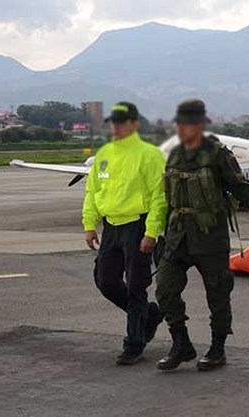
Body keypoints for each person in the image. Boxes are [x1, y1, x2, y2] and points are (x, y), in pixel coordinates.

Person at [155, 99, 249, 372]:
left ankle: (217, 348)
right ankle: (181, 344)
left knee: (218, 293)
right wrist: (157, 232)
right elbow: (168, 198)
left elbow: (240, 188)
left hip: (210, 236)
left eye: (187, 124)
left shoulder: (217, 153)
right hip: (177, 237)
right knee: (164, 289)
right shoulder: (174, 155)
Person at [82, 102, 167, 365]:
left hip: (137, 225)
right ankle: (149, 316)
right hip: (111, 226)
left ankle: (134, 342)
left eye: (122, 121)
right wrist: (89, 224)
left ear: (134, 124)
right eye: (114, 122)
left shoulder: (149, 155)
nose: (116, 126)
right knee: (105, 281)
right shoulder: (105, 154)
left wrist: (151, 232)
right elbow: (93, 192)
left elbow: (158, 197)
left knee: (136, 285)